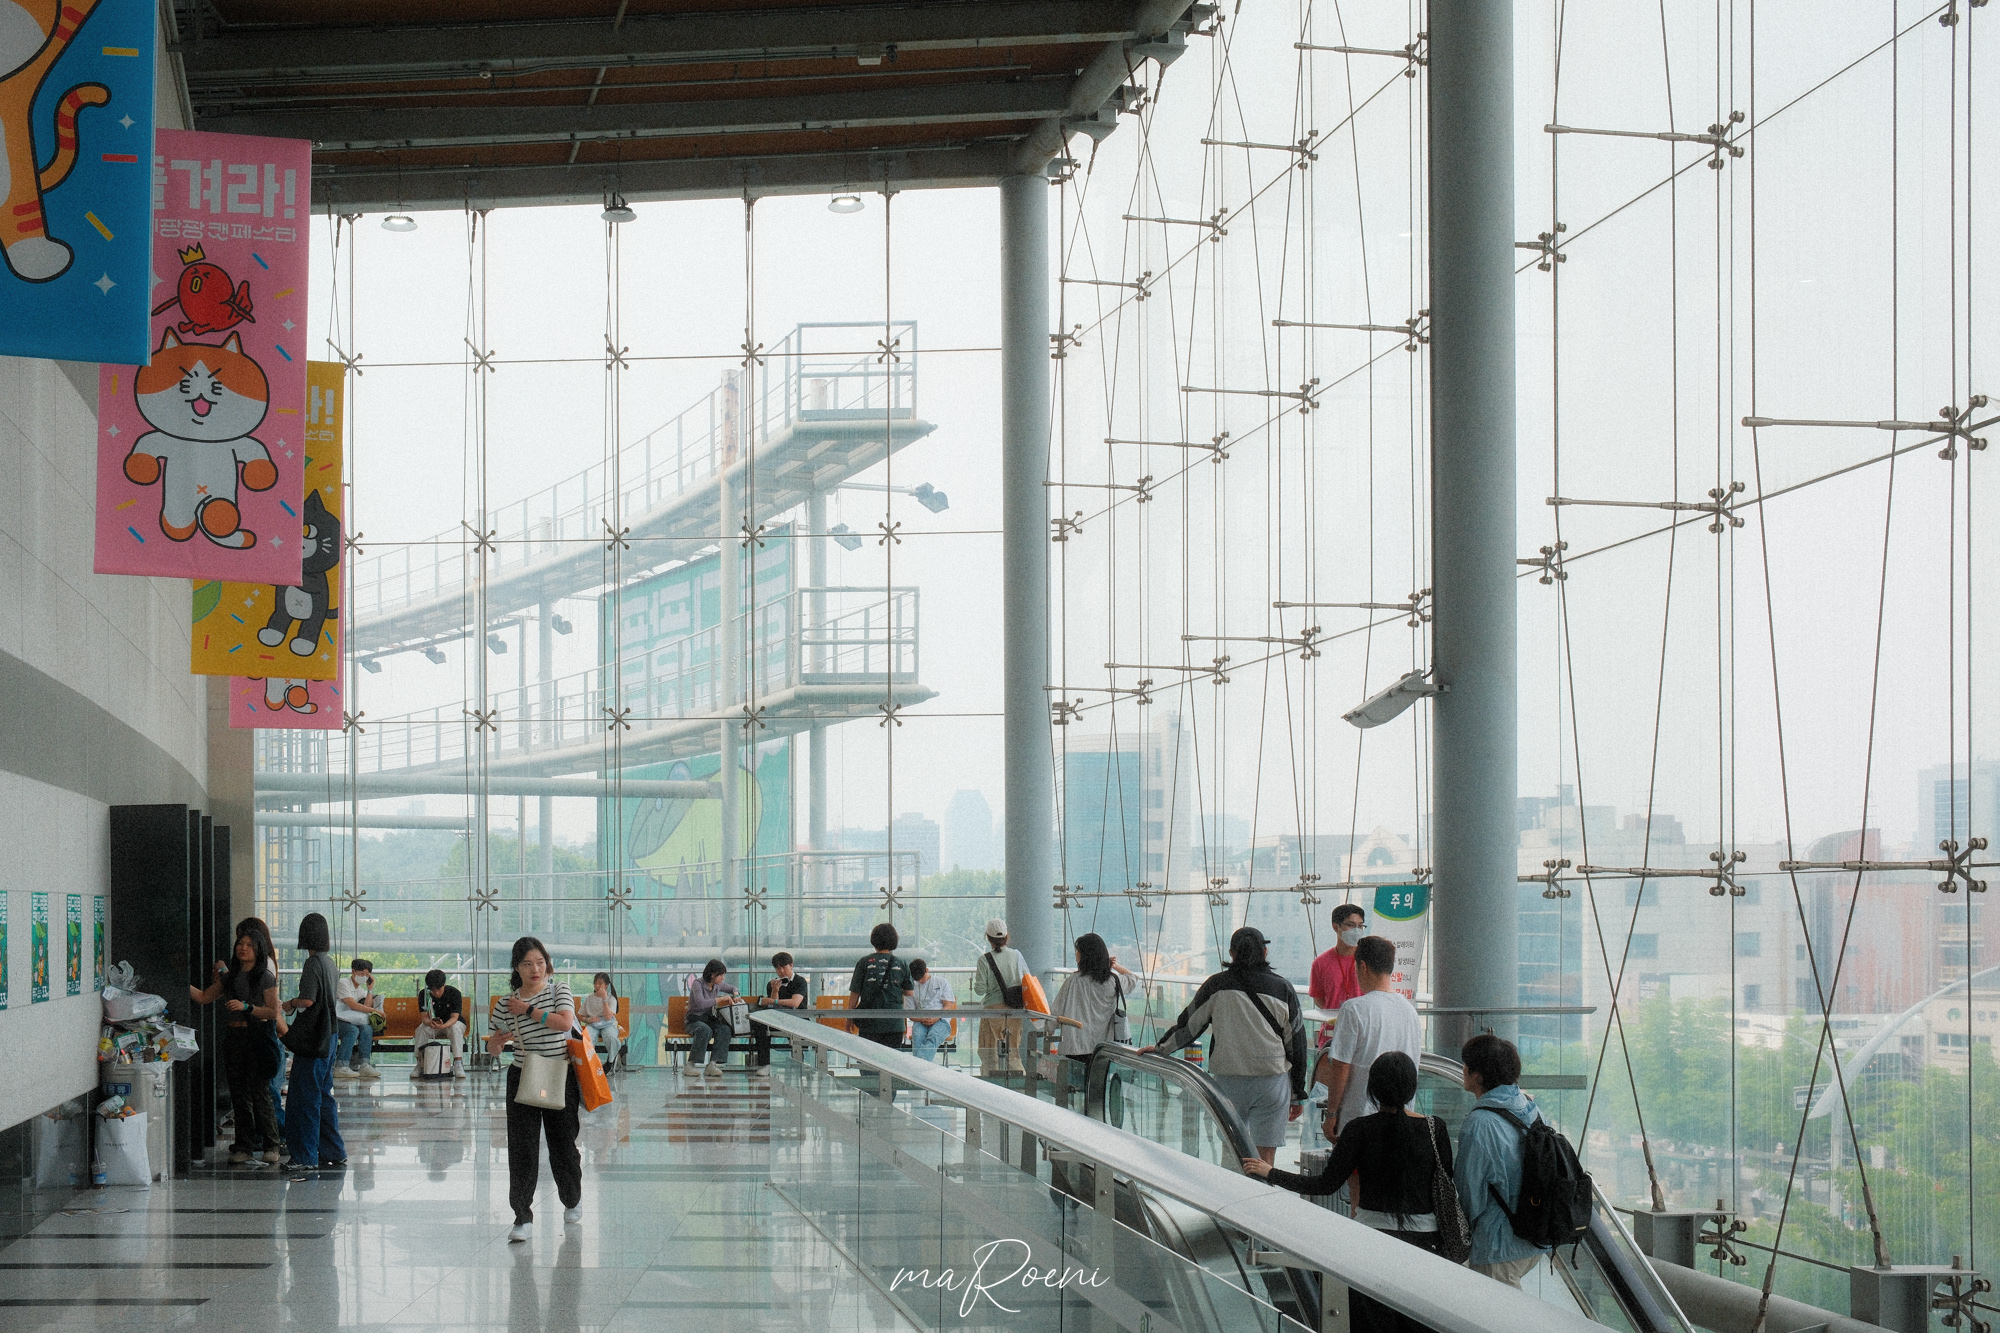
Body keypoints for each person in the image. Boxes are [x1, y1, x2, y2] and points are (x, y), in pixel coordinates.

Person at [1245, 1052, 1453, 1333]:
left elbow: (1324, 1185)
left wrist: (1270, 1172)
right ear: (1412, 1087)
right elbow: (1446, 1183)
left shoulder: (1359, 1130)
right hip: (1426, 1246)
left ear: (1373, 1089)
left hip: (1371, 1242)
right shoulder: (1435, 1129)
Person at [1141, 927, 1307, 1163]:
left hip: (1229, 1081)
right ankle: (1260, 1188)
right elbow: (1297, 1044)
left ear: (1232, 953)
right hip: (1271, 1081)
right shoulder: (1283, 988)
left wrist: (1161, 1048)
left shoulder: (1217, 985)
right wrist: (1298, 1093)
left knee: (1232, 1152)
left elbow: (1189, 1025)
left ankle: (1232, 1186)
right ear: (1265, 952)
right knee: (1264, 1158)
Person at [485, 936, 582, 1242]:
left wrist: (527, 1010)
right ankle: (522, 1216)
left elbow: (564, 1023)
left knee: (563, 1143)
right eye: (527, 964)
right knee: (522, 1148)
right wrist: (496, 1043)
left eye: (540, 962)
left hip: (559, 1073)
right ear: (517, 968)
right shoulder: (505, 1004)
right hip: (523, 1074)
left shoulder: (559, 990)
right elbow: (494, 1049)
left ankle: (572, 1198)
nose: (535, 969)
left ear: (547, 964)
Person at [188, 918, 287, 1166]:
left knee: (260, 1093)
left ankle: (272, 1144)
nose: (243, 948)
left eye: (250, 945)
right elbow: (203, 997)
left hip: (257, 1037)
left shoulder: (265, 977)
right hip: (234, 1038)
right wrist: (180, 981)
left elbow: (272, 1011)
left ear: (259, 949)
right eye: (240, 944)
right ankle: (244, 1146)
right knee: (239, 1095)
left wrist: (247, 1007)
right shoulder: (230, 978)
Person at [1456, 1034, 1551, 1288]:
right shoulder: (1531, 1109)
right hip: (1534, 1236)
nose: (1463, 1070)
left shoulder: (1479, 1124)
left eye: (1466, 1065)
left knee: (1496, 1311)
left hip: (1498, 1245)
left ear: (1478, 1076)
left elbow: (1469, 1193)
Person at [1320, 935, 1423, 1142]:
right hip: (1400, 1119)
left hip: (1359, 1118)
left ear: (1363, 967)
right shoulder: (1410, 1011)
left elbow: (1341, 1066)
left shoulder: (1354, 1009)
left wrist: (1331, 1113)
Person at [280, 912, 346, 1182]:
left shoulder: (312, 963)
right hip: (330, 1034)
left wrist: (290, 1003)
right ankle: (334, 1150)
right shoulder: (330, 963)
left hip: (314, 1038)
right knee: (323, 1094)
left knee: (304, 1097)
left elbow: (308, 1000)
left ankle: (304, 1156)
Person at [1051, 932, 1137, 1060]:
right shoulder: (1113, 981)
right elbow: (1132, 978)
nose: (1076, 954)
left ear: (1085, 956)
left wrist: (1049, 1031)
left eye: (1078, 951)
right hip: (1104, 1048)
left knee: (1074, 1073)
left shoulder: (1073, 981)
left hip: (1076, 1047)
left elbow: (1056, 1012)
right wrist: (1114, 965)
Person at [970, 918, 1032, 1075]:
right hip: (1014, 1011)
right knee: (1013, 1055)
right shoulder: (1017, 955)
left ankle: (990, 1088)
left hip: (992, 1011)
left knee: (990, 1056)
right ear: (1007, 936)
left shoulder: (984, 960)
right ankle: (1020, 1086)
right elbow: (1027, 980)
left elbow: (979, 990)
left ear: (988, 937)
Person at [848, 922, 914, 1050]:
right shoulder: (901, 963)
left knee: (868, 1058)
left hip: (869, 1022)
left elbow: (855, 993)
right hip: (894, 1022)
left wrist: (849, 1018)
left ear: (874, 940)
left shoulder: (864, 962)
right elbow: (909, 992)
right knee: (892, 1059)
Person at [753, 951, 809, 1073]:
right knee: (761, 1025)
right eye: (778, 968)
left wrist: (775, 1001)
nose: (781, 971)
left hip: (798, 1019)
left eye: (784, 967)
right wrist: (775, 990)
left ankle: (799, 1063)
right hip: (778, 1018)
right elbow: (772, 1005)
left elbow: (795, 1003)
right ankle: (765, 1063)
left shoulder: (800, 981)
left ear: (791, 966)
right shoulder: (773, 984)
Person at [333, 958, 383, 1081]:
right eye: (361, 974)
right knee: (352, 1031)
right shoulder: (343, 983)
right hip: (335, 1020)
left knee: (366, 1028)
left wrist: (370, 990)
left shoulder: (359, 989)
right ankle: (341, 1065)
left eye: (367, 975)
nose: (364, 977)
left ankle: (365, 1064)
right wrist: (375, 1011)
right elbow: (352, 1005)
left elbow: (366, 1006)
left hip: (348, 1019)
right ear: (353, 971)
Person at [685, 959, 738, 1073]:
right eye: (721, 975)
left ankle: (713, 1064)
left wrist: (736, 994)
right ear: (713, 975)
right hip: (694, 1020)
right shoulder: (698, 984)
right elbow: (701, 1003)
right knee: (705, 1030)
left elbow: (732, 988)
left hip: (708, 1019)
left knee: (725, 1029)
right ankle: (690, 1064)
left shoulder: (716, 985)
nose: (723, 978)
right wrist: (720, 999)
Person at [415, 968, 467, 1078]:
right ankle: (420, 1063)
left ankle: (458, 1062)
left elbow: (454, 1017)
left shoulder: (454, 993)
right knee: (421, 1029)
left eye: (439, 989)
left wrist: (443, 1025)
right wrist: (430, 1022)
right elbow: (424, 1018)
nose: (436, 993)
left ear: (444, 985)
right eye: (433, 990)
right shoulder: (424, 994)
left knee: (455, 1029)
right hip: (434, 1024)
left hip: (452, 1023)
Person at [905, 958, 955, 1063]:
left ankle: (918, 1064)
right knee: (918, 1036)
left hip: (941, 1019)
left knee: (934, 1035)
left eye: (922, 978)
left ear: (927, 970)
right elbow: (910, 1013)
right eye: (917, 979)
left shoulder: (941, 982)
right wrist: (922, 1019)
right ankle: (922, 1065)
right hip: (920, 1020)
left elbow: (948, 1005)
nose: (920, 981)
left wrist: (936, 1017)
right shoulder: (911, 987)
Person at [580, 972, 622, 1070]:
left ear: (606, 985)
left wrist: (604, 1000)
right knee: (586, 1038)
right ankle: (590, 1063)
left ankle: (610, 1060)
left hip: (608, 1024)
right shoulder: (589, 998)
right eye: (595, 983)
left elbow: (608, 1017)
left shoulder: (611, 999)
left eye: (600, 983)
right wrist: (589, 1019)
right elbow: (581, 1016)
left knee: (610, 1037)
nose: (597, 986)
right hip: (593, 1024)